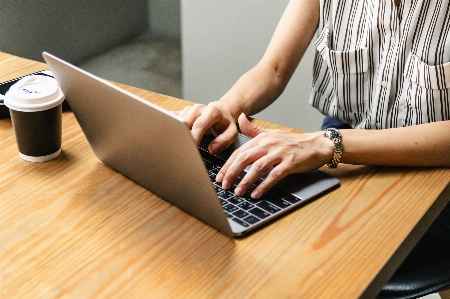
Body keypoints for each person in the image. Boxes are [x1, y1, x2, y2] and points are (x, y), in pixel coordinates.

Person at [177, 0, 450, 293]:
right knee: (256, 224)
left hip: (434, 172)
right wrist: (228, 107)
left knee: (312, 262)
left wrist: (328, 144)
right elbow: (274, 68)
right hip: (341, 151)